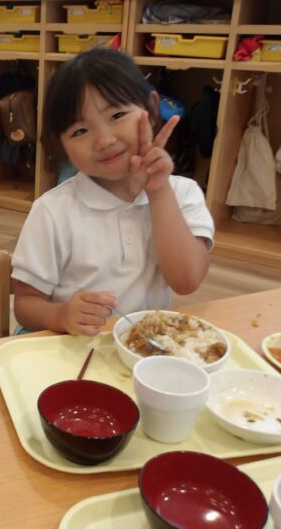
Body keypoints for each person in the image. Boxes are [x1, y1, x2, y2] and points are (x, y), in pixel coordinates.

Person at [12, 48, 214, 337]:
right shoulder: (53, 210)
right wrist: (61, 315)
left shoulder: (183, 193)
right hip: (72, 346)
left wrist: (159, 192)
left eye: (117, 114)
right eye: (80, 131)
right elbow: (25, 305)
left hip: (144, 345)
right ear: (61, 145)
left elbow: (186, 281)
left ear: (151, 109)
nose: (104, 140)